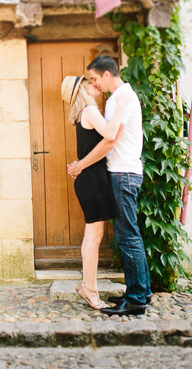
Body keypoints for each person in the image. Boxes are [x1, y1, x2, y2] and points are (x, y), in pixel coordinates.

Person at [67, 55, 152, 316]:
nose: (94, 84)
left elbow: (109, 141)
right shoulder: (117, 99)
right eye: (89, 81)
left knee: (128, 236)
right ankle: (142, 292)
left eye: (94, 78)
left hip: (123, 173)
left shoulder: (120, 99)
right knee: (128, 234)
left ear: (106, 75)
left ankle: (137, 297)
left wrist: (80, 164)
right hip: (122, 172)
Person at [61, 75, 128, 310]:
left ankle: (86, 285)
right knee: (94, 237)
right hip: (92, 179)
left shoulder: (85, 113)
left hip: (90, 178)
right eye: (89, 83)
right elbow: (110, 134)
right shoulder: (89, 111)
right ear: (82, 90)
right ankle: (90, 290)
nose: (94, 84)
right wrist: (121, 104)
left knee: (92, 236)